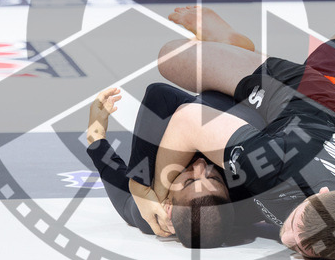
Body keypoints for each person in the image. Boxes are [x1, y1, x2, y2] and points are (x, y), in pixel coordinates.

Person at [150, 4, 335, 260]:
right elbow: (187, 120)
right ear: (319, 195)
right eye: (293, 225)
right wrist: (157, 193)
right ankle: (232, 45)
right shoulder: (270, 166)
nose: (287, 239)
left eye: (300, 245)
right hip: (309, 99)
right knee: (169, 56)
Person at [85, 81, 264, 247]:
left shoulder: (152, 214)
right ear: (229, 195)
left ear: (168, 209)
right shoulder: (249, 178)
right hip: (246, 89)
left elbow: (124, 202)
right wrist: (141, 186)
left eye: (190, 181)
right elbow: (161, 96)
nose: (201, 166)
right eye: (214, 178)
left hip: (205, 101)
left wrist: (95, 135)